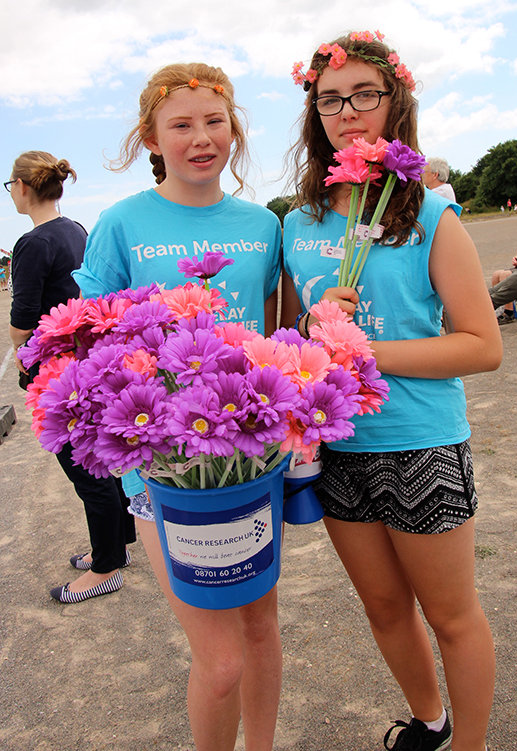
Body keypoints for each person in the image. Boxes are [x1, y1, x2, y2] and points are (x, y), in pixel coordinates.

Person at [282, 31, 502, 751]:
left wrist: (362, 347)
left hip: (420, 443)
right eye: (330, 100)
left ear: (394, 103)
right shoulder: (298, 223)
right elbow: (290, 341)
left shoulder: (431, 216)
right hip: (338, 449)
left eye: (364, 96)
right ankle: (431, 722)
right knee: (382, 606)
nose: (348, 112)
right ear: (315, 113)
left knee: (451, 614)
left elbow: (481, 344)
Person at [73, 63, 282, 751]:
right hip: (162, 478)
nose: (201, 138)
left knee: (260, 631)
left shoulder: (261, 225)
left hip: (248, 468)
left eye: (215, 122)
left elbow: (271, 342)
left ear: (235, 130)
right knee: (220, 661)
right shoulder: (122, 223)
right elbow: (84, 339)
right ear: (151, 138)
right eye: (182, 125)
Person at [7, 150, 136, 604]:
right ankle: (117, 544)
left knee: (85, 468)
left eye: (10, 186)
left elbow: (23, 319)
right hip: (84, 364)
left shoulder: (33, 242)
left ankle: (105, 567)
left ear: (23, 187)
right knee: (99, 460)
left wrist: (16, 345)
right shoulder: (76, 230)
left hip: (54, 372)